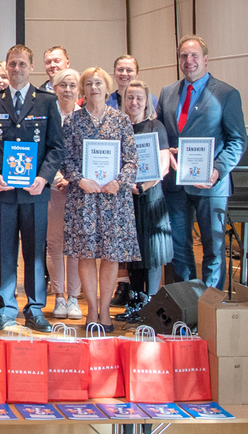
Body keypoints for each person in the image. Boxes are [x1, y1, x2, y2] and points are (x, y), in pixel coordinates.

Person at [0, 44, 63, 333]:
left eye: (22, 64)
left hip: (35, 192)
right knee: (4, 252)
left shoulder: (46, 101)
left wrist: (43, 178)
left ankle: (36, 309)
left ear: (31, 67)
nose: (17, 69)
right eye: (12, 64)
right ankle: (5, 308)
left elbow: (56, 147)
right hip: (3, 192)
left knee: (35, 253)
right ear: (5, 66)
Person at [157, 35, 246, 290]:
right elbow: (161, 134)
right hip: (174, 184)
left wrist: (217, 170)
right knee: (178, 247)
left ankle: (209, 307)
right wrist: (166, 151)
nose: (189, 61)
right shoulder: (167, 92)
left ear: (206, 59)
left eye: (194, 55)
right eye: (184, 56)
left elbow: (237, 140)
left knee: (213, 249)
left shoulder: (227, 94)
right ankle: (184, 306)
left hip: (211, 185)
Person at [61, 67, 140, 331]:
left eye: (99, 83)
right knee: (85, 255)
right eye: (89, 83)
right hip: (83, 198)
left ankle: (105, 312)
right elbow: (65, 158)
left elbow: (132, 161)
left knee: (110, 256)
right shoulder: (72, 121)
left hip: (113, 199)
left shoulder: (121, 120)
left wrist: (120, 181)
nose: (94, 87)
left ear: (108, 88)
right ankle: (91, 311)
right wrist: (78, 178)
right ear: (83, 89)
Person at [118, 80, 173, 321]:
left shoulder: (156, 126)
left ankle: (150, 306)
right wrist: (125, 184)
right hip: (127, 199)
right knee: (133, 256)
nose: (134, 102)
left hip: (150, 198)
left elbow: (163, 166)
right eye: (130, 97)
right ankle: (135, 304)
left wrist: (141, 186)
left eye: (139, 97)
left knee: (151, 255)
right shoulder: (120, 125)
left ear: (147, 100)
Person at [47, 69, 83, 320]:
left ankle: (74, 298)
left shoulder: (84, 117)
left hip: (80, 189)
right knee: (55, 244)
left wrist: (75, 178)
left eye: (72, 85)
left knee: (77, 246)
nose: (68, 89)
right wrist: (58, 176)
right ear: (54, 88)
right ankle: (59, 296)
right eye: (63, 85)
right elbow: (41, 150)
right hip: (53, 187)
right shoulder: (46, 114)